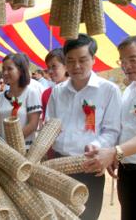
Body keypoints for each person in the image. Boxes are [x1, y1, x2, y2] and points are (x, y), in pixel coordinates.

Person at [84, 35, 136, 220]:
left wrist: (114, 152)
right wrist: (117, 156)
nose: (126, 66)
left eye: (133, 59)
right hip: (128, 172)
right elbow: (126, 128)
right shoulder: (131, 90)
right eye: (122, 60)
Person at [46, 33, 122, 220]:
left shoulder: (109, 90)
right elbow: (50, 125)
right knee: (58, 214)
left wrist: (97, 144)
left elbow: (112, 130)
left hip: (89, 164)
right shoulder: (58, 91)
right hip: (59, 164)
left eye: (83, 60)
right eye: (70, 61)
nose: (76, 66)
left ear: (93, 59)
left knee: (86, 215)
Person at [0, 53, 42, 149]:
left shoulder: (31, 93)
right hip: (4, 150)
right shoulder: (0, 97)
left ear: (21, 71)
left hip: (24, 149)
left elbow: (33, 125)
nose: (5, 73)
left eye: (9, 69)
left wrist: (12, 142)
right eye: (3, 69)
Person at [41, 48, 68, 119]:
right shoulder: (47, 94)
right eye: (48, 67)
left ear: (66, 66)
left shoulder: (77, 90)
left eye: (54, 66)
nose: (50, 71)